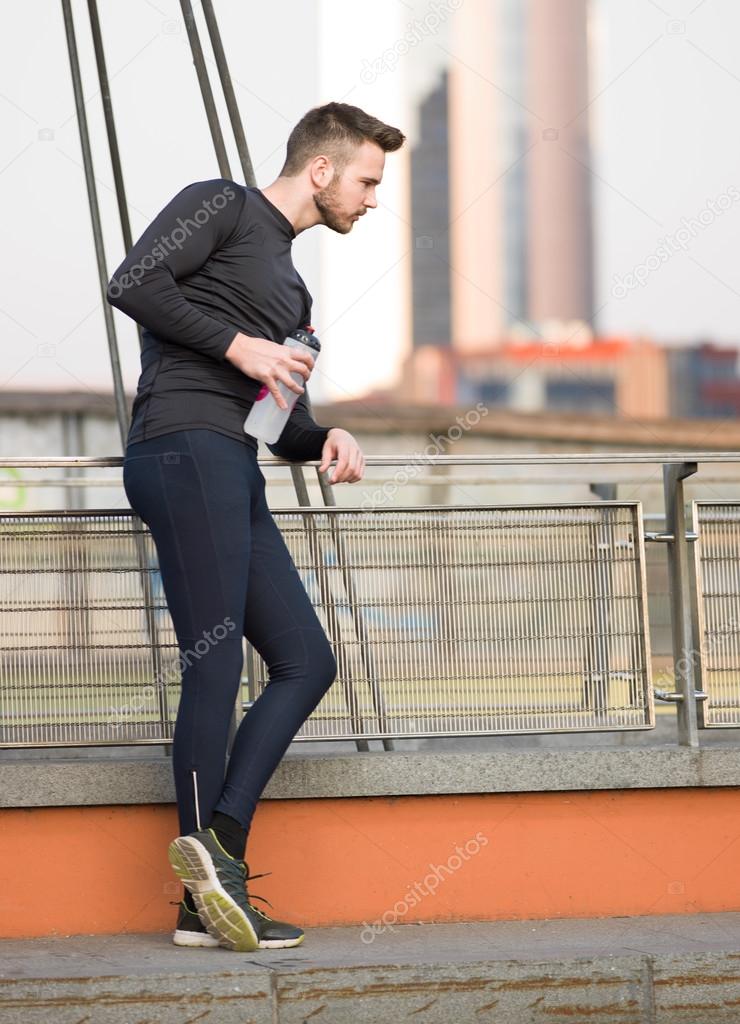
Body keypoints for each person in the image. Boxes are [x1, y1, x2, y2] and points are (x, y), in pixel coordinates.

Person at [107, 101, 405, 952]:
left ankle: (217, 864)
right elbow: (132, 282)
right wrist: (240, 346)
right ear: (322, 170)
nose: (373, 199)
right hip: (181, 449)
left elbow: (279, 422)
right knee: (215, 658)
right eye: (368, 180)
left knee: (308, 660)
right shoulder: (224, 205)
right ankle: (205, 895)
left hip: (233, 462)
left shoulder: (294, 287)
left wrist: (326, 433)